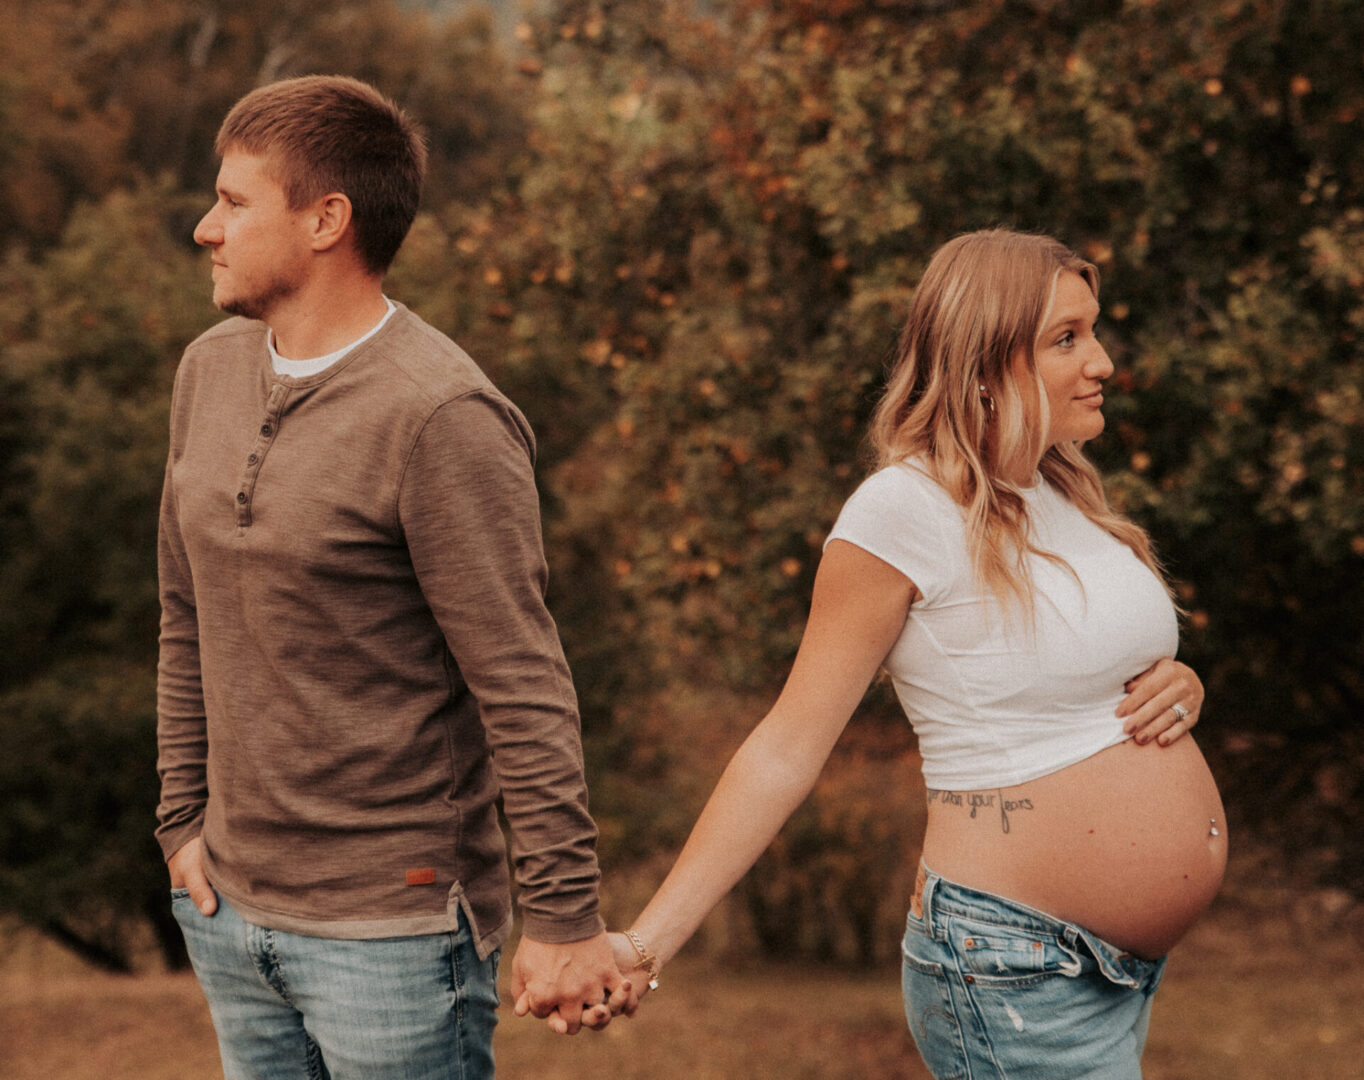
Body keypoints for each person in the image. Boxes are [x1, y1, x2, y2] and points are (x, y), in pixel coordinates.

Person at [600, 229, 1227, 1078]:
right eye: (1067, 338)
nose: (1105, 361)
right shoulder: (901, 512)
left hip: (1110, 971)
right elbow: (787, 746)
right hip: (1013, 964)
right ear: (981, 364)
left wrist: (1178, 687)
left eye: (1095, 330)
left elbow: (1077, 678)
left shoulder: (1060, 489)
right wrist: (647, 944)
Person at [155, 75, 631, 1080]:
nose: (208, 228)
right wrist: (181, 821)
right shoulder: (208, 371)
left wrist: (562, 914)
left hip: (394, 932)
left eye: (235, 203)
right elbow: (184, 611)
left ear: (326, 219)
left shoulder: (442, 417)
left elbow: (522, 681)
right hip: (228, 911)